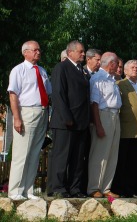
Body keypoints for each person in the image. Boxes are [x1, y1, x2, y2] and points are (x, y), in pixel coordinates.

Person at [7, 41, 50, 200]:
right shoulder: (18, 70)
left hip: (42, 112)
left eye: (39, 49)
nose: (38, 52)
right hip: (26, 112)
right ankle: (15, 191)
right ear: (26, 52)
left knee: (34, 153)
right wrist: (17, 118)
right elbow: (13, 95)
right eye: (35, 50)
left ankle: (28, 190)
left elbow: (48, 93)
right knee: (21, 153)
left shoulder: (42, 71)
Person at [48, 40, 91, 198]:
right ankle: (57, 187)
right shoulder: (62, 68)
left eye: (83, 51)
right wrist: (67, 117)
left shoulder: (82, 70)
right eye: (80, 51)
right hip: (65, 122)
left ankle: (74, 188)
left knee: (78, 158)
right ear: (70, 52)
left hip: (81, 122)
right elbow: (58, 94)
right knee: (62, 156)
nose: (83, 54)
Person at [87, 52, 122, 198]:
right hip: (104, 115)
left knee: (112, 154)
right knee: (99, 154)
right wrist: (99, 125)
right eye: (117, 64)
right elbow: (94, 104)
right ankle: (94, 187)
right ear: (111, 63)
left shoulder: (112, 79)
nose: (118, 66)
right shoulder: (98, 78)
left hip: (115, 115)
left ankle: (106, 188)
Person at [112, 60, 137, 198]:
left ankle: (130, 189)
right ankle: (119, 189)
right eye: (132, 67)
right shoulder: (120, 84)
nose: (135, 69)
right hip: (125, 129)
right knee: (122, 162)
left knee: (134, 162)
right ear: (125, 71)